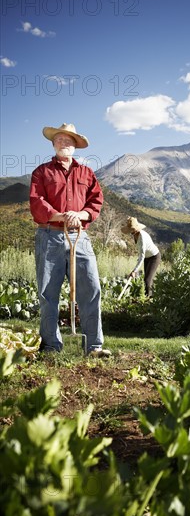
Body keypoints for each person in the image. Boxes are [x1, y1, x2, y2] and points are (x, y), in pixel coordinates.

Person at [29, 122, 111, 357]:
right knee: (48, 293)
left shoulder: (86, 173)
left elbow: (96, 202)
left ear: (75, 146)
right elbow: (37, 202)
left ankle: (94, 346)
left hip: (79, 237)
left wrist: (81, 215)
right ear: (53, 143)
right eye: (59, 139)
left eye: (68, 140)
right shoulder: (42, 172)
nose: (63, 143)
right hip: (49, 236)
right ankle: (52, 346)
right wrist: (60, 215)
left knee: (91, 289)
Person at [122, 216, 161, 297]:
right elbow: (141, 254)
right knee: (146, 280)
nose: (131, 232)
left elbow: (142, 256)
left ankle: (149, 301)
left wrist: (134, 271)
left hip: (154, 257)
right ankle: (149, 298)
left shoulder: (142, 237)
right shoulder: (135, 234)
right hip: (147, 258)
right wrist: (135, 270)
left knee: (147, 280)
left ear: (136, 228)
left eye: (132, 230)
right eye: (130, 231)